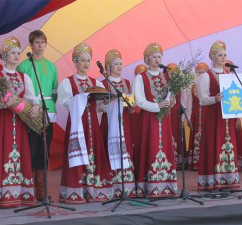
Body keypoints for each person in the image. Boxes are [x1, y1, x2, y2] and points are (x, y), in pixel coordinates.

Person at [0, 37, 39, 208]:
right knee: (3, 151)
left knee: (21, 152)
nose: (16, 55)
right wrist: (3, 104)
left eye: (17, 53)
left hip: (20, 123)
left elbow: (32, 97)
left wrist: (36, 107)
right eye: (12, 53)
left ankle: (21, 193)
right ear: (5, 55)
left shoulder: (25, 77)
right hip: (2, 122)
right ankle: (1, 195)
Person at [57, 43, 114, 203]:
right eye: (82, 60)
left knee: (93, 154)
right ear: (75, 62)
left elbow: (100, 107)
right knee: (77, 156)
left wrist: (108, 103)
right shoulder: (68, 82)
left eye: (88, 60)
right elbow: (65, 103)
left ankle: (94, 190)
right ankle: (77, 191)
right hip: (77, 125)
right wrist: (82, 98)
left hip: (92, 126)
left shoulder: (96, 82)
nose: (86, 64)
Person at [131, 43, 178, 198]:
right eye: (153, 56)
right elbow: (139, 101)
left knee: (165, 146)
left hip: (164, 120)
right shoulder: (141, 77)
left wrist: (172, 102)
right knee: (149, 146)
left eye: (159, 56)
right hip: (148, 120)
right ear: (147, 59)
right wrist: (157, 105)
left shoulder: (167, 76)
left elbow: (171, 97)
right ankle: (148, 186)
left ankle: (166, 185)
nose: (157, 59)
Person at [17, 30, 58, 201]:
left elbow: (54, 91)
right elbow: (20, 92)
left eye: (43, 42)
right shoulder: (24, 66)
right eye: (37, 42)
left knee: (43, 151)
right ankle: (27, 189)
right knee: (30, 151)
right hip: (30, 113)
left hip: (47, 112)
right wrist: (31, 108)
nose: (40, 46)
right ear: (31, 45)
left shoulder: (52, 67)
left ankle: (41, 190)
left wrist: (48, 106)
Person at [196, 40, 239, 191]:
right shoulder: (206, 76)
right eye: (220, 55)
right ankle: (212, 179)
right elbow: (202, 99)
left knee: (227, 144)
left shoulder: (230, 74)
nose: (223, 57)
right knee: (214, 143)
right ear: (213, 57)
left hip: (227, 117)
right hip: (213, 117)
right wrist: (215, 98)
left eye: (225, 55)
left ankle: (228, 178)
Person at [99, 49, 136, 198]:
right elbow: (101, 106)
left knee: (126, 148)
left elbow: (132, 105)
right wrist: (111, 102)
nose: (119, 67)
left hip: (125, 121)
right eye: (116, 64)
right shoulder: (103, 83)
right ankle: (111, 184)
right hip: (110, 122)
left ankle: (127, 185)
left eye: (121, 64)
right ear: (108, 67)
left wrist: (133, 105)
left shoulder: (126, 82)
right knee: (110, 148)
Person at [184, 62, 209, 170]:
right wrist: (188, 118)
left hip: (207, 115)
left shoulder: (210, 85)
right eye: (199, 72)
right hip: (195, 116)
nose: (201, 75)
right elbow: (189, 103)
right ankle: (195, 162)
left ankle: (207, 161)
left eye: (204, 72)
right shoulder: (192, 87)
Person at [224, 60, 242, 171]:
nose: (226, 69)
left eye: (228, 67)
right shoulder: (220, 79)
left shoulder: (236, 79)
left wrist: (239, 118)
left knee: (236, 138)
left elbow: (241, 99)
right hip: (223, 116)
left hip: (234, 113)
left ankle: (238, 163)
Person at [166, 63, 188, 169]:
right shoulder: (163, 82)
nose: (171, 73)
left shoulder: (179, 84)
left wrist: (183, 118)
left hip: (176, 112)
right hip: (165, 111)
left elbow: (184, 101)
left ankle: (177, 160)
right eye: (169, 71)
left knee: (177, 133)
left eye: (173, 72)